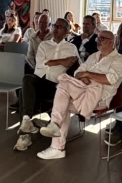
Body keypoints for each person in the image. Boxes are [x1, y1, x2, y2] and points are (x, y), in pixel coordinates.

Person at [37, 30, 122, 160]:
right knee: (64, 84)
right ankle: (56, 139)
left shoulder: (119, 60)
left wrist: (88, 74)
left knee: (63, 96)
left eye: (102, 38)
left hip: (99, 99)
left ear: (111, 42)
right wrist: (83, 76)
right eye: (98, 38)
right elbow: (77, 72)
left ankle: (56, 139)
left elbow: (109, 79)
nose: (98, 41)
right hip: (81, 91)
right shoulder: (94, 56)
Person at [15, 18, 80, 151]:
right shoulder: (44, 45)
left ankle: (25, 133)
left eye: (60, 27)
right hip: (40, 80)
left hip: (56, 85)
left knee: (22, 92)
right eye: (55, 26)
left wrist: (52, 62)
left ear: (67, 31)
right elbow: (41, 63)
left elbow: (77, 67)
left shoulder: (71, 48)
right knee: (27, 79)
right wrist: (62, 61)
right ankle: (26, 122)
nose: (55, 29)